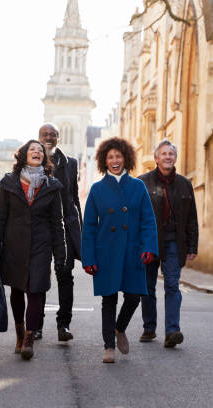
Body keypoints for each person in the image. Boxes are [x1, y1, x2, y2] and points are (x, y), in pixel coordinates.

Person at [81, 137, 158, 363]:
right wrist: (89, 258)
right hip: (106, 251)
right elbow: (89, 228)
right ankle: (108, 347)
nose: (115, 160)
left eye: (118, 156)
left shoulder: (138, 187)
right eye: (110, 157)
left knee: (134, 296)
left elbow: (148, 221)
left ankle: (119, 328)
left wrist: (149, 247)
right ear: (105, 161)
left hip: (132, 250)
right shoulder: (97, 189)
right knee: (109, 299)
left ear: (126, 158)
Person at [0, 140, 66, 360]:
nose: (37, 152)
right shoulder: (8, 183)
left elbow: (57, 222)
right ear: (23, 155)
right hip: (14, 245)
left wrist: (60, 254)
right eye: (32, 149)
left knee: (36, 291)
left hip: (41, 245)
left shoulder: (52, 186)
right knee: (17, 290)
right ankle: (20, 331)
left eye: (40, 150)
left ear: (44, 157)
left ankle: (29, 338)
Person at [138, 139, 198, 348]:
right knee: (147, 286)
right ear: (156, 158)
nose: (167, 157)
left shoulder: (184, 184)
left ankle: (172, 331)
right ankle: (149, 327)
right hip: (149, 241)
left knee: (172, 284)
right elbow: (135, 216)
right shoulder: (142, 182)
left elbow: (192, 218)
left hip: (174, 241)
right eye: (163, 154)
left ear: (175, 158)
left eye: (171, 154)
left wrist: (192, 247)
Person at [35, 123, 82, 342]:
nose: (49, 138)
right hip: (42, 228)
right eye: (45, 134)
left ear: (58, 138)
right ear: (39, 137)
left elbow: (74, 198)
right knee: (40, 277)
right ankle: (36, 326)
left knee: (65, 276)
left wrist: (79, 229)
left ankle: (64, 325)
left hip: (65, 229)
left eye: (53, 135)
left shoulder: (70, 164)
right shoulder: (33, 160)